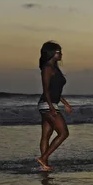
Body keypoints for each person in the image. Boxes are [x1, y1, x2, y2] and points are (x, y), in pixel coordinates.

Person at [36, 41, 72, 171]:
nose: (61, 54)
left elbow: (55, 90)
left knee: (46, 135)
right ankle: (43, 158)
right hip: (47, 104)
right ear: (52, 53)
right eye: (58, 52)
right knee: (63, 133)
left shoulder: (55, 68)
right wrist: (51, 107)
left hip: (50, 103)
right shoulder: (47, 68)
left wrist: (65, 104)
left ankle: (44, 165)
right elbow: (46, 90)